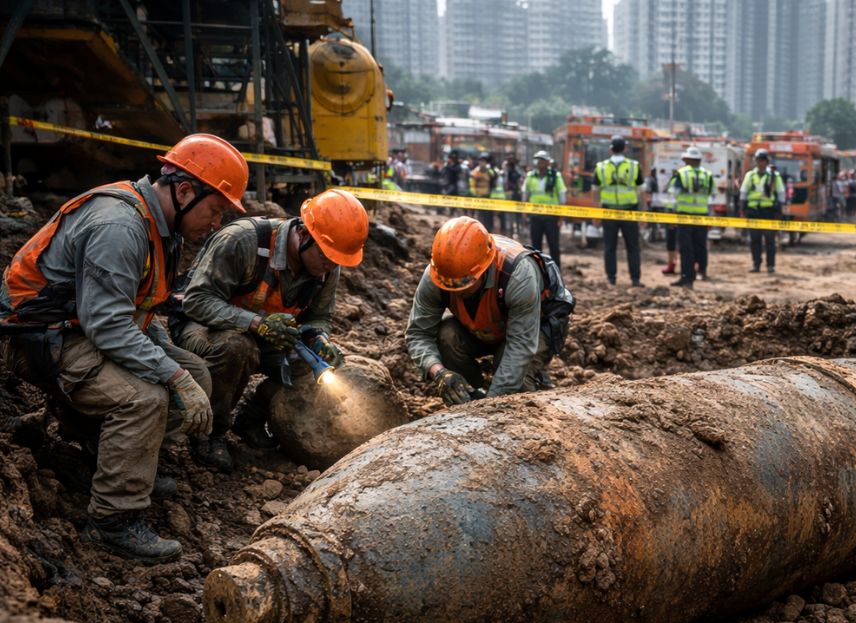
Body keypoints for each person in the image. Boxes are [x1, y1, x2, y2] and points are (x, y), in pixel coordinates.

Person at [0, 133, 248, 562]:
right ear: (185, 191)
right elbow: (108, 324)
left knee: (198, 374)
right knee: (146, 398)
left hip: (78, 327)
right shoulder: (120, 226)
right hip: (35, 336)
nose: (216, 224)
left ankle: (106, 460)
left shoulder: (160, 224)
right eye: (215, 210)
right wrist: (170, 375)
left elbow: (136, 309)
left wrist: (181, 371)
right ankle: (113, 521)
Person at [172, 188, 366, 469]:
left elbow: (319, 316)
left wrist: (318, 337)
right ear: (303, 234)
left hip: (266, 333)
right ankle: (209, 433)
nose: (331, 266)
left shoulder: (326, 264)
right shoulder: (242, 241)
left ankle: (250, 418)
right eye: (327, 257)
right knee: (237, 347)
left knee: (312, 366)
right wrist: (256, 324)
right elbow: (196, 302)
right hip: (203, 327)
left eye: (337, 260)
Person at [406, 216, 574, 403]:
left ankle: (532, 397)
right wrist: (439, 373)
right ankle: (471, 394)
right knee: (447, 336)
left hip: (535, 327)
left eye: (464, 285)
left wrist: (489, 406)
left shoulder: (517, 275)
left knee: (515, 372)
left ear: (483, 269)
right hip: (488, 325)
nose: (457, 292)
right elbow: (418, 333)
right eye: (450, 287)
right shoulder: (438, 275)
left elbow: (520, 347)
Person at [594, 135, 643, 286]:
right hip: (630, 211)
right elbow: (641, 191)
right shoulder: (635, 166)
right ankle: (635, 279)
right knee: (633, 247)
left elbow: (595, 191)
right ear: (625, 149)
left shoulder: (600, 167)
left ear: (610, 149)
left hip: (608, 212)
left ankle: (611, 278)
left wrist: (595, 214)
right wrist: (642, 214)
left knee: (610, 247)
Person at [668, 146, 715, 288]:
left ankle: (687, 278)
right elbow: (712, 196)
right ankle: (702, 270)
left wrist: (671, 215)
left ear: (687, 159)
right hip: (702, 215)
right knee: (700, 245)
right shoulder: (707, 175)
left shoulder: (681, 174)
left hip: (684, 215)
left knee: (686, 248)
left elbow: (673, 196)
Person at [740, 148, 785, 274]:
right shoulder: (750, 175)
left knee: (770, 240)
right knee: (755, 240)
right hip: (753, 211)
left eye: (763, 160)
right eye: (758, 160)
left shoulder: (774, 176)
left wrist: (779, 210)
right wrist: (742, 208)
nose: (760, 163)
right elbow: (743, 192)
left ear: (766, 161)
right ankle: (756, 265)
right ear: (755, 161)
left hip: (769, 211)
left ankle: (770, 266)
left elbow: (781, 193)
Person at [522, 150, 566, 269]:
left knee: (554, 246)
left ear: (548, 162)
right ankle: (538, 271)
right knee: (535, 246)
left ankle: (556, 271)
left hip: (551, 217)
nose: (539, 163)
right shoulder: (530, 176)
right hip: (535, 216)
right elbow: (525, 194)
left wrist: (561, 217)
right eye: (538, 160)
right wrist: (525, 212)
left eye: (542, 160)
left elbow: (562, 197)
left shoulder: (556, 176)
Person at [469, 152, 498, 231]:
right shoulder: (475, 172)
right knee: (480, 217)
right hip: (479, 197)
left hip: (488, 197)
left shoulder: (489, 171)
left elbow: (494, 177)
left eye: (484, 161)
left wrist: (491, 169)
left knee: (488, 216)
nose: (482, 163)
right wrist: (475, 194)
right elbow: (472, 185)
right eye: (481, 161)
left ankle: (489, 231)